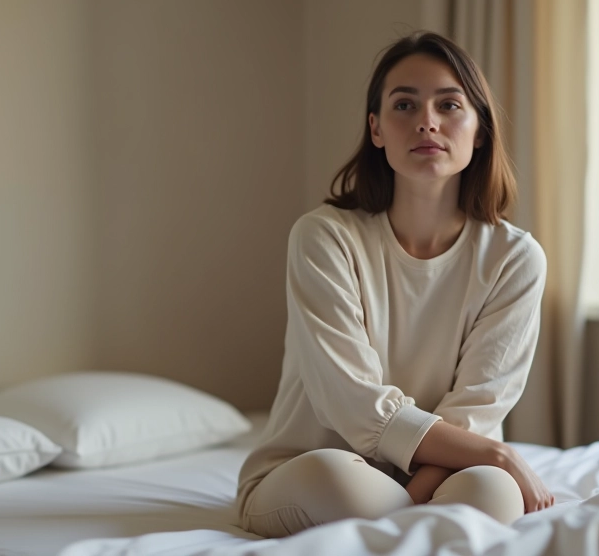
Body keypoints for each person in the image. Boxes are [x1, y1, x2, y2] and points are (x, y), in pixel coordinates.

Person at [236, 31, 554, 539]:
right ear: (377, 129)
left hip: (447, 470)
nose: (427, 120)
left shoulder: (515, 258)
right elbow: (354, 406)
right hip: (315, 469)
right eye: (404, 104)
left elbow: (474, 408)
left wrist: (412, 494)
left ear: (479, 132)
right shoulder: (324, 238)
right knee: (339, 479)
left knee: (492, 492)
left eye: (449, 104)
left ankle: (403, 524)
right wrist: (498, 453)